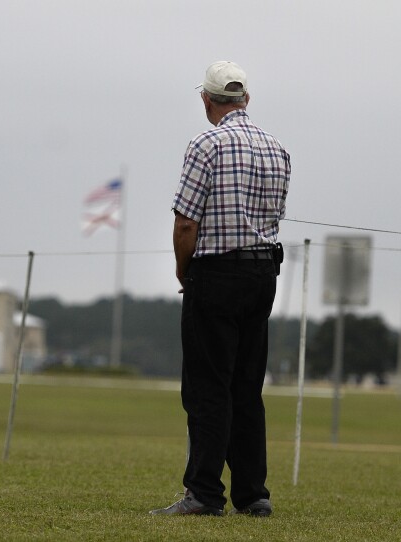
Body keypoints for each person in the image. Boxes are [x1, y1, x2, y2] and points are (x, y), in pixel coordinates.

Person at [150, 61, 291, 517]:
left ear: (207, 100)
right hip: (262, 272)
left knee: (208, 387)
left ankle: (204, 493)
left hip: (217, 273)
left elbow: (186, 222)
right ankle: (254, 495)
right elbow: (273, 217)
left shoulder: (205, 144)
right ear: (246, 99)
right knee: (247, 387)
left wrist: (182, 270)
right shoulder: (277, 149)